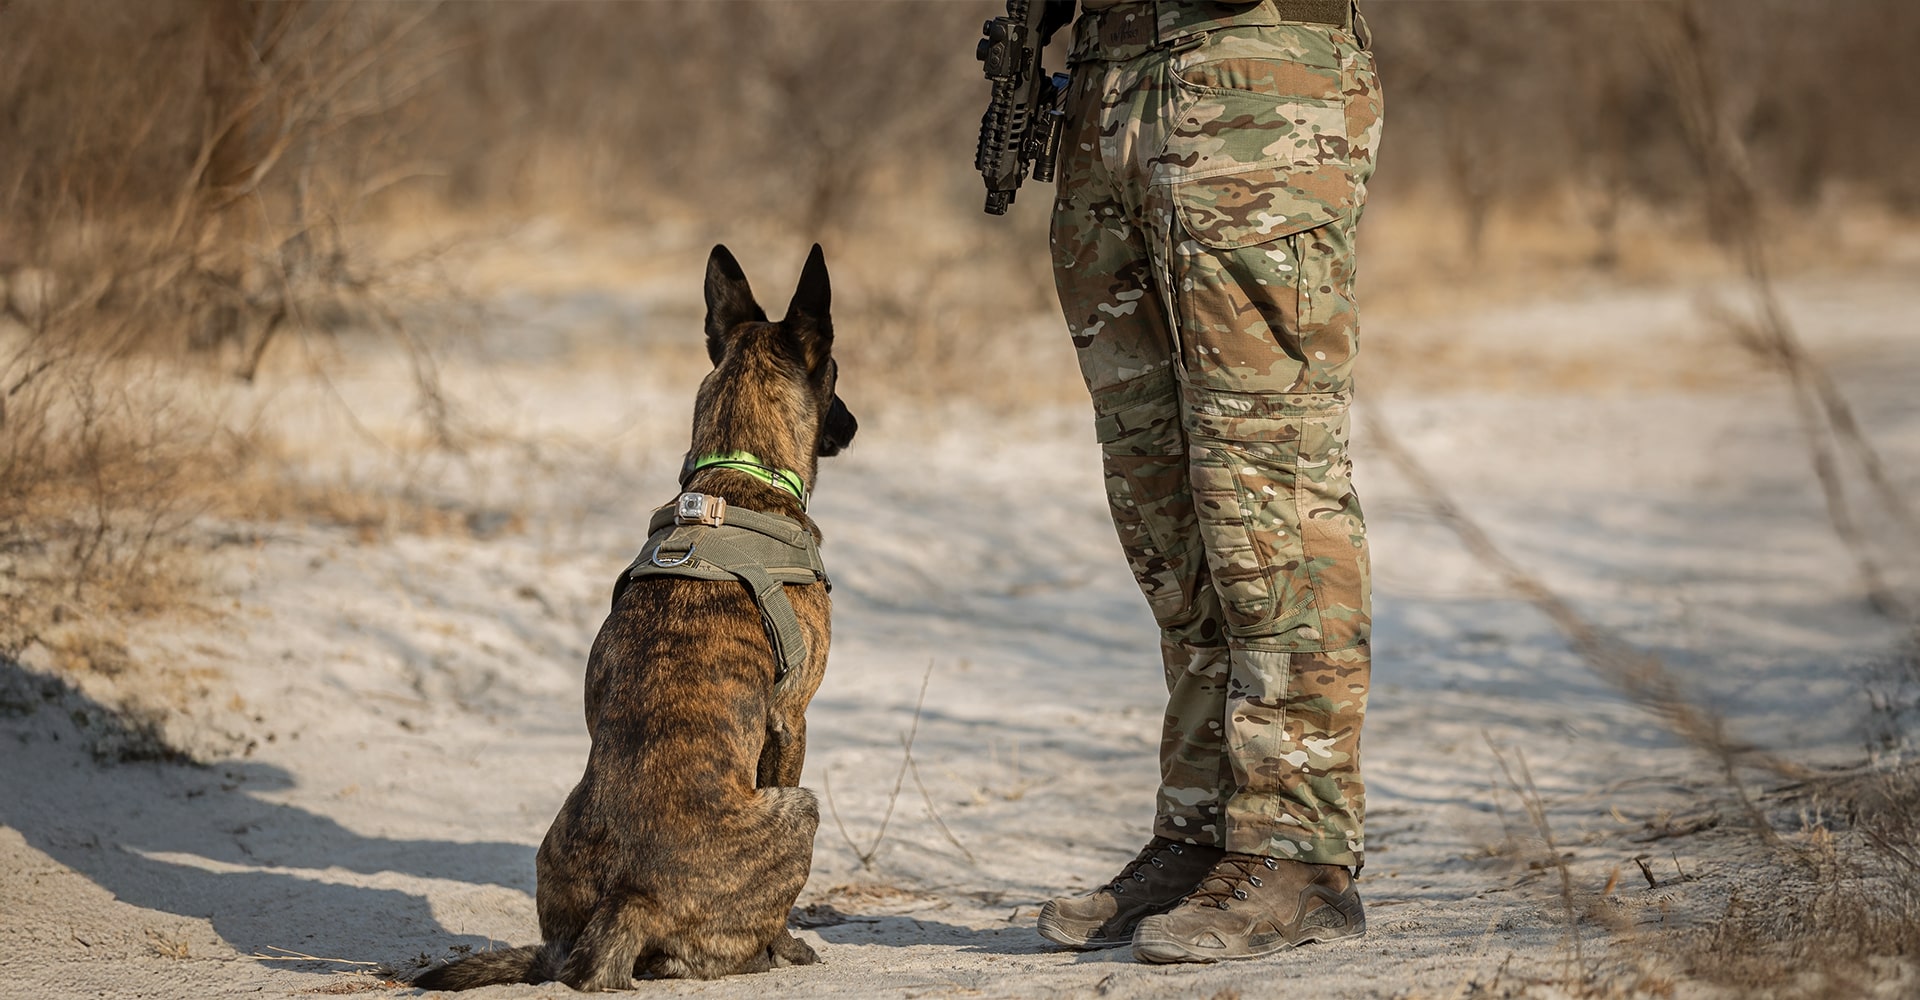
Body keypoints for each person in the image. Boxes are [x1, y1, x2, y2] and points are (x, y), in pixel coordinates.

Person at [1036, 0, 1384, 963]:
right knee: (1162, 504)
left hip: (1250, 86)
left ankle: (1298, 847)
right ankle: (1201, 830)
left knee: (1265, 485)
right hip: (1108, 84)